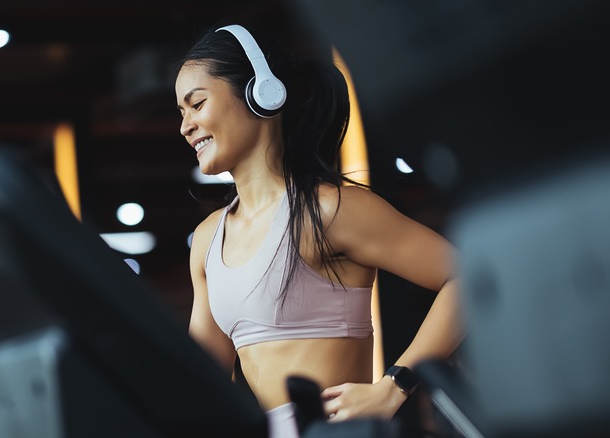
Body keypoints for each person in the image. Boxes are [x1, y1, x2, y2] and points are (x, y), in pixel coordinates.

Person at [175, 22, 464, 437]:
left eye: (197, 104)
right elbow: (202, 386)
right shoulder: (206, 240)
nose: (185, 126)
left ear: (261, 94)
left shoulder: (330, 209)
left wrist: (393, 387)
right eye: (181, 112)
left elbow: (468, 277)